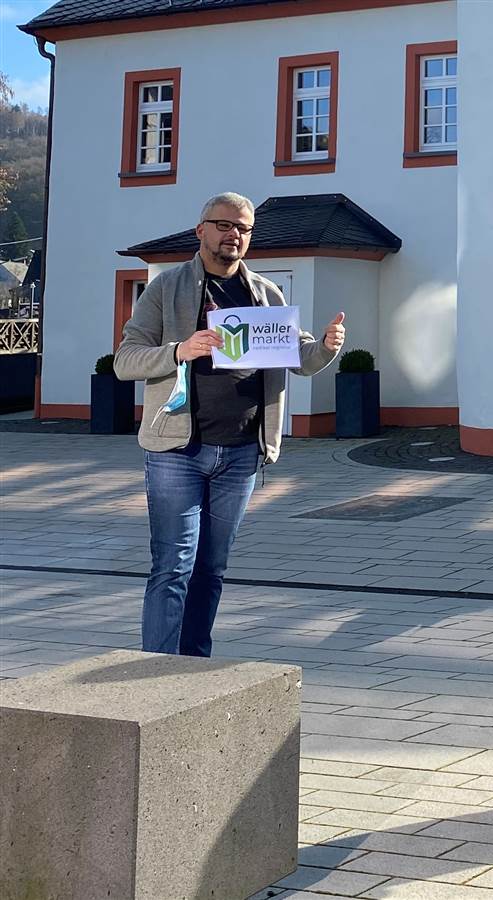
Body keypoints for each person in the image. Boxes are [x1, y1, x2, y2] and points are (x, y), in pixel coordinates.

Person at [115, 192, 345, 656]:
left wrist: (326, 346)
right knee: (173, 565)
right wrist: (179, 350)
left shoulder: (266, 293)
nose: (233, 235)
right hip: (176, 453)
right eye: (223, 225)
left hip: (241, 454)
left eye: (243, 228)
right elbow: (125, 360)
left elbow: (299, 356)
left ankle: (194, 663)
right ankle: (157, 668)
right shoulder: (167, 288)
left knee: (212, 568)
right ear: (200, 230)